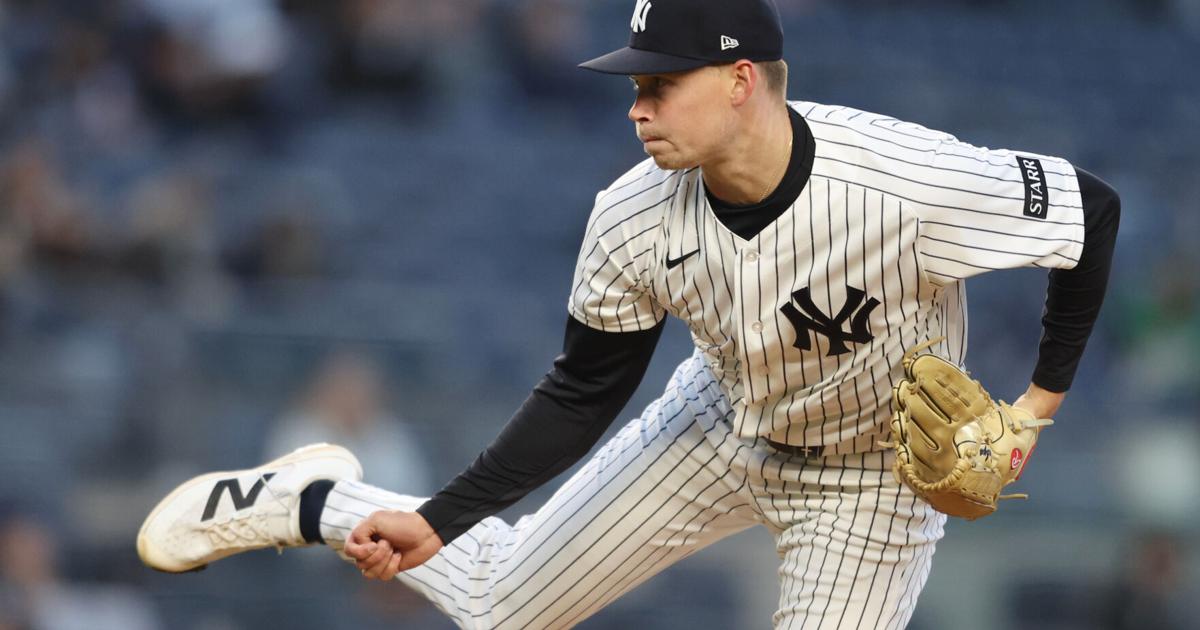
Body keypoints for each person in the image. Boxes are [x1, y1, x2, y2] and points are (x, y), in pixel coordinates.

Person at [137, 0, 1120, 628]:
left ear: (741, 83)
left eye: (661, 84)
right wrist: (440, 519)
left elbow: (1091, 212)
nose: (637, 107)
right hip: (719, 425)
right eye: (634, 85)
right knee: (497, 610)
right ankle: (305, 499)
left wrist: (1034, 410)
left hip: (870, 484)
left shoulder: (903, 181)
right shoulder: (632, 215)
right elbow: (583, 392)